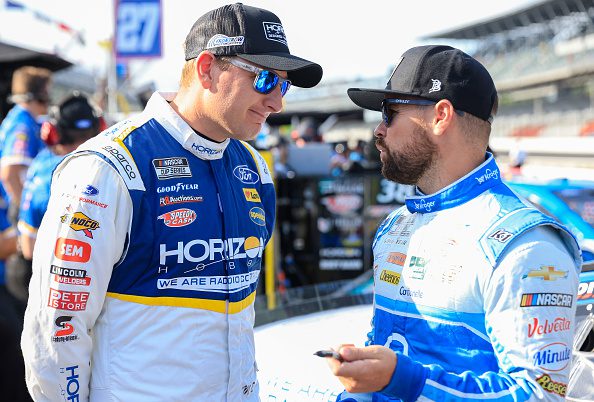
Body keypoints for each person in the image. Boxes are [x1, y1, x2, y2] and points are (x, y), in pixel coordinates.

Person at [21, 3, 322, 401]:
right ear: (207, 69)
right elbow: (57, 326)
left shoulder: (252, 167)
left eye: (283, 86)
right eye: (265, 79)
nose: (277, 103)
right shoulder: (109, 167)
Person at [324, 45, 581, 401]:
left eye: (389, 113)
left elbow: (540, 395)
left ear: (441, 116)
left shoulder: (525, 245)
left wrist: (406, 381)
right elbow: (385, 353)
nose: (379, 130)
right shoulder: (396, 225)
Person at [6, 93, 101, 302]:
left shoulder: (44, 165)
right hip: (86, 279)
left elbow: (28, 247)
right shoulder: (109, 169)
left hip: (48, 278)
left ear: (53, 130)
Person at [0, 66, 51, 211]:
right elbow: (9, 174)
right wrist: (24, 211)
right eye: (47, 92)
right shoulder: (22, 125)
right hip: (12, 208)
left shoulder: (25, 119)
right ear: (38, 95)